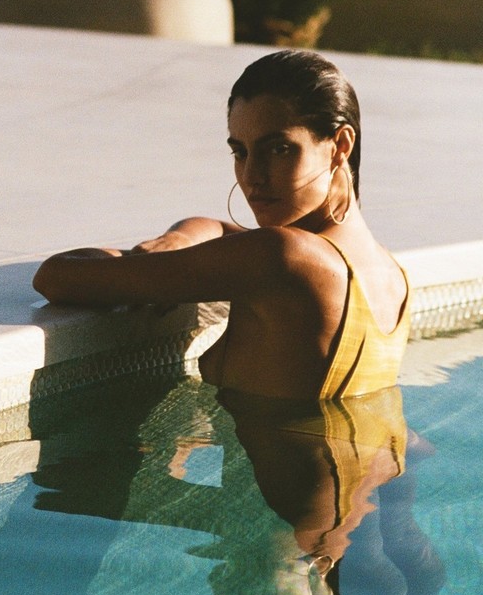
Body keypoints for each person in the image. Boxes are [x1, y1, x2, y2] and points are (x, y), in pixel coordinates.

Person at [33, 49, 410, 400]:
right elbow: (217, 229)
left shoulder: (281, 257)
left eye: (279, 149)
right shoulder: (391, 273)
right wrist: (178, 238)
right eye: (240, 152)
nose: (253, 176)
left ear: (340, 145)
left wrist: (129, 259)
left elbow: (56, 277)